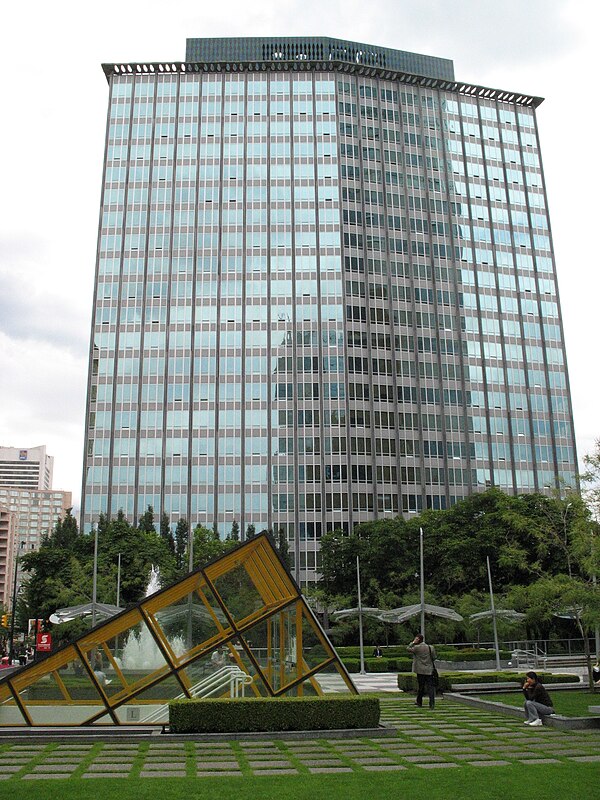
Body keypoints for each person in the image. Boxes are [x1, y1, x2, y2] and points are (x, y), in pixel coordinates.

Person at [407, 633, 437, 709]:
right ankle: (432, 703)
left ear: (418, 640)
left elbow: (408, 648)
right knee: (430, 687)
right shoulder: (431, 647)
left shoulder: (416, 648)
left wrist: (413, 642)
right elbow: (434, 657)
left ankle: (419, 702)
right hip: (429, 670)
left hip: (420, 670)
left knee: (421, 687)